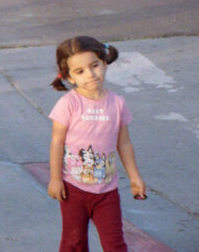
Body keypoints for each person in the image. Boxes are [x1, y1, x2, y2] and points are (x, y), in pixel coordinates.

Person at [47, 36, 146, 252]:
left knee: (115, 244)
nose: (90, 75)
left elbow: (125, 143)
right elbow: (57, 142)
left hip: (107, 192)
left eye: (94, 66)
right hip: (73, 190)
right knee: (74, 243)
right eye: (80, 71)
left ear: (104, 62)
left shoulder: (117, 104)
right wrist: (55, 179)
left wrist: (134, 176)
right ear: (69, 77)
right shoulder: (68, 104)